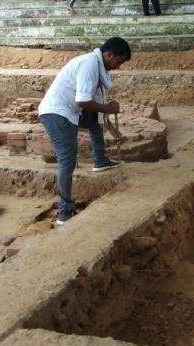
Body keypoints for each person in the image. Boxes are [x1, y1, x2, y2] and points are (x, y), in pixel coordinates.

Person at [38, 37, 131, 225]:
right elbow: (83, 101)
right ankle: (65, 210)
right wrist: (110, 109)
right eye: (118, 62)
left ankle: (100, 160)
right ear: (109, 54)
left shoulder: (98, 66)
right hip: (57, 113)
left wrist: (112, 128)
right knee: (68, 161)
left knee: (93, 122)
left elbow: (96, 106)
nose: (118, 67)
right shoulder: (90, 64)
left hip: (69, 111)